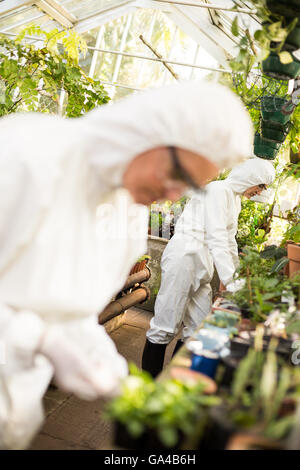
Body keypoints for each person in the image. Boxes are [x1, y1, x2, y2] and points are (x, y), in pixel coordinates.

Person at [0, 80, 253, 449]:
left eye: (189, 187)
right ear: (149, 134)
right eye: (176, 176)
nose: (172, 195)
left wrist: (118, 377)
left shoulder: (127, 215)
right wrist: (37, 337)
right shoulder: (27, 154)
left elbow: (73, 313)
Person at [142, 158, 276, 377]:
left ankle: (174, 382)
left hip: (202, 263)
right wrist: (233, 284)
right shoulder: (217, 190)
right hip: (185, 256)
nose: (260, 191)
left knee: (197, 329)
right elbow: (216, 238)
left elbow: (230, 241)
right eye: (261, 185)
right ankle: (148, 385)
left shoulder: (234, 200)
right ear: (251, 177)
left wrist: (239, 277)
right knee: (166, 325)